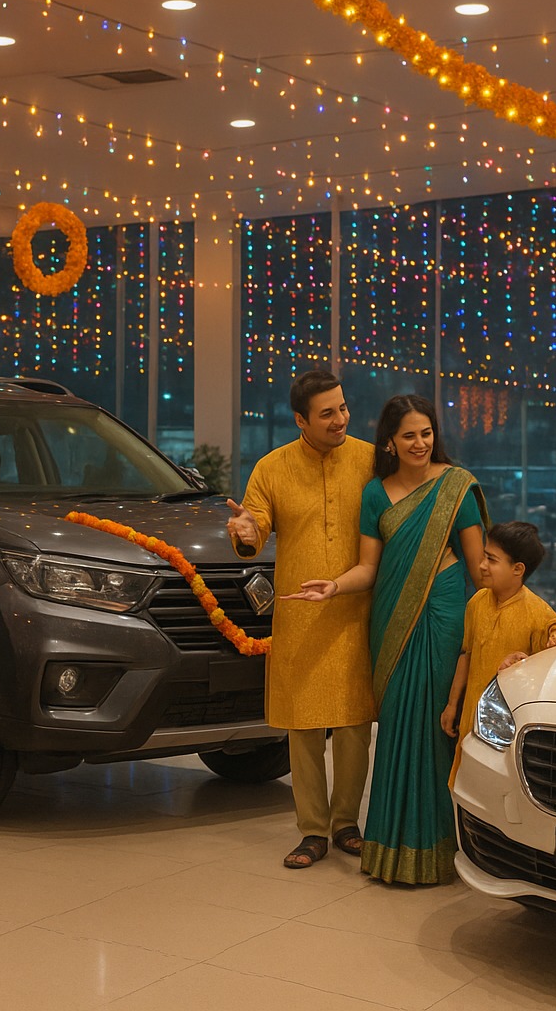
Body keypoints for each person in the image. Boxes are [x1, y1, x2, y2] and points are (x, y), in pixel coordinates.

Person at [284, 394, 486, 885]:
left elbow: (481, 569)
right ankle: (391, 846)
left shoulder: (456, 487)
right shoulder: (375, 493)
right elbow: (369, 568)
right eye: (409, 436)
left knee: (436, 727)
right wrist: (333, 586)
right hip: (391, 621)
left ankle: (440, 849)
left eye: (426, 433)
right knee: (395, 728)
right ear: (390, 442)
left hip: (442, 615)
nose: (420, 443)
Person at [226, 369, 375, 870]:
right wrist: (246, 530)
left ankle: (347, 822)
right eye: (327, 413)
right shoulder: (272, 468)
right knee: (304, 728)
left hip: (355, 612)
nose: (340, 420)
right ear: (300, 420)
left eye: (343, 408)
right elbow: (255, 529)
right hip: (300, 615)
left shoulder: (370, 459)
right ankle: (313, 831)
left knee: (354, 723)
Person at [443, 521, 556, 785]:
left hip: (504, 729)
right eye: (484, 556)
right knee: (465, 784)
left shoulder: (536, 611)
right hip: (470, 715)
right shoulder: (476, 602)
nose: (482, 565)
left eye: (491, 560)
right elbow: (466, 655)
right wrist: (452, 705)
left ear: (518, 569)